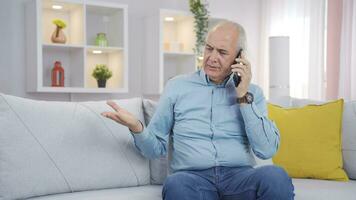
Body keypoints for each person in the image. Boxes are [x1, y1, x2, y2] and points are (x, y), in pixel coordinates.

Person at [102, 20, 295, 200]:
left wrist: (243, 95)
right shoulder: (177, 87)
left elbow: (266, 149)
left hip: (239, 178)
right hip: (193, 179)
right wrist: (137, 127)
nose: (212, 57)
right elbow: (155, 149)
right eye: (209, 48)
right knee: (175, 184)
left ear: (239, 57)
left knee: (276, 177)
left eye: (222, 52)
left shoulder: (252, 93)